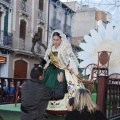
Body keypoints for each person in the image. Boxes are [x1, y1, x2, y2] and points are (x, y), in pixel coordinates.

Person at [44, 29, 84, 111]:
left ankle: (64, 106)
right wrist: (42, 66)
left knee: (62, 87)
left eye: (57, 40)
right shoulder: (50, 48)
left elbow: (71, 59)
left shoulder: (65, 48)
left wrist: (73, 69)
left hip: (62, 70)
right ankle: (48, 106)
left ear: (61, 39)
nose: (55, 41)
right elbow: (46, 59)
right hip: (51, 70)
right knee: (47, 86)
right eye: (54, 40)